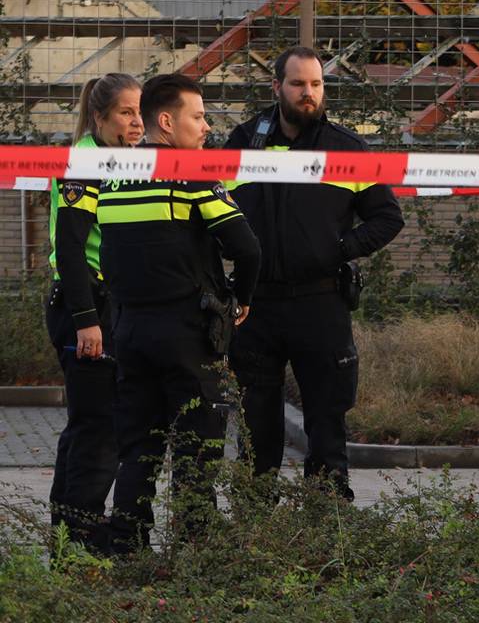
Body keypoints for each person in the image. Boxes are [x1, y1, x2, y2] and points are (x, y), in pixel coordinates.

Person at [224, 46, 404, 499]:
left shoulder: (346, 148)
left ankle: (328, 525)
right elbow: (211, 212)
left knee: (326, 422)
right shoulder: (243, 142)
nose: (309, 93)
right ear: (276, 87)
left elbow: (387, 217)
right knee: (255, 426)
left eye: (316, 84)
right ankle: (253, 527)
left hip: (320, 303)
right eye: (298, 84)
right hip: (254, 305)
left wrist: (340, 249)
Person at [100, 74, 261, 554]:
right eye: (198, 116)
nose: (207, 126)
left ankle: (128, 546)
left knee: (138, 450)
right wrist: (240, 298)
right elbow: (247, 249)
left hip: (128, 330)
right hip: (187, 333)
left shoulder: (112, 175)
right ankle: (195, 551)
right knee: (199, 446)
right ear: (166, 122)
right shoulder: (192, 175)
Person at [46, 73, 143, 553]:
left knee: (87, 425)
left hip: (98, 306)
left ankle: (67, 533)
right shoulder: (88, 161)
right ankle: (82, 540)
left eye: (140, 112)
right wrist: (87, 319)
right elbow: (69, 246)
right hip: (86, 306)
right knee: (100, 430)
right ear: (100, 116)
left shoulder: (111, 157)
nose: (137, 122)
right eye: (126, 112)